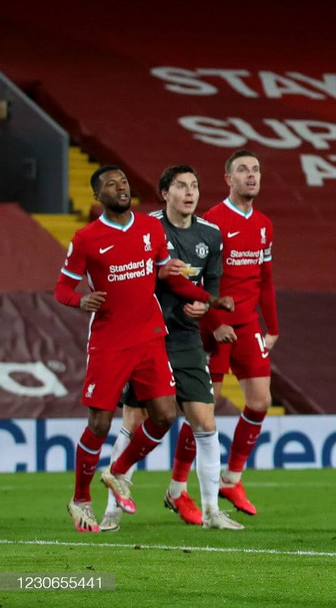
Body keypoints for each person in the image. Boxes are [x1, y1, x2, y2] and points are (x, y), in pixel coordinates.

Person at [55, 166, 231, 532]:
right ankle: (80, 499)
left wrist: (209, 299)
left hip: (150, 335)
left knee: (165, 415)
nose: (120, 187)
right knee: (100, 424)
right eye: (110, 184)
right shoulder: (87, 239)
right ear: (97, 196)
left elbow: (168, 276)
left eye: (123, 182)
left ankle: (117, 472)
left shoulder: (151, 229)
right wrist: (81, 300)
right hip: (109, 342)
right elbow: (61, 289)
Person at [101, 165, 243, 531]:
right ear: (164, 193)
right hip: (148, 335)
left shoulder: (210, 235)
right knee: (134, 420)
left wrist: (206, 307)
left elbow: (211, 287)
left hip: (185, 338)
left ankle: (212, 512)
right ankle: (112, 510)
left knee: (205, 422)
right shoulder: (145, 229)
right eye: (181, 186)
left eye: (194, 185)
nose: (189, 192)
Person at [201, 149, 278, 516]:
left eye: (256, 170)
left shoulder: (264, 224)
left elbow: (265, 279)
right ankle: (179, 485)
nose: (252, 175)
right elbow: (201, 280)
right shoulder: (212, 222)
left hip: (250, 324)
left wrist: (273, 326)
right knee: (206, 406)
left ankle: (231, 479)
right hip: (216, 322)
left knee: (261, 400)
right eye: (243, 170)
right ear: (228, 178)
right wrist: (216, 323)